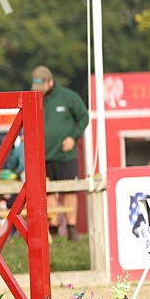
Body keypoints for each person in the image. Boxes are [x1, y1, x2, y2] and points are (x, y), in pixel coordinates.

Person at [31, 65, 88, 239]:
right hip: (44, 155)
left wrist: (73, 137)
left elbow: (83, 116)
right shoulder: (35, 98)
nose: (40, 91)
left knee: (69, 190)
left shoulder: (69, 97)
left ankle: (72, 228)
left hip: (65, 155)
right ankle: (53, 229)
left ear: (51, 82)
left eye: (43, 86)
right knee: (47, 192)